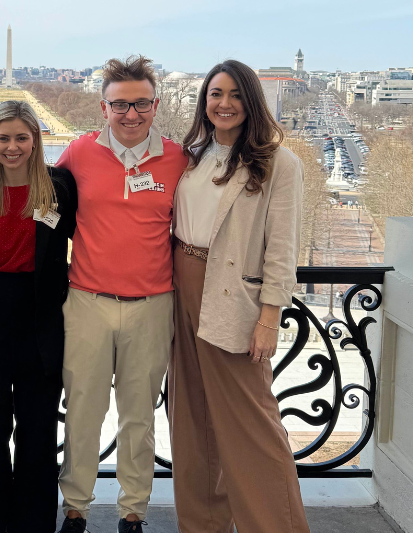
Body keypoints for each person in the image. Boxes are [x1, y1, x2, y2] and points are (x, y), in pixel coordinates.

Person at [169, 59, 310, 532]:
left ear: (251, 101)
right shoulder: (193, 155)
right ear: (203, 101)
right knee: (191, 421)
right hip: (179, 286)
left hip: (232, 298)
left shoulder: (278, 164)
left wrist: (269, 318)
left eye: (233, 95)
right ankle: (203, 524)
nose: (223, 104)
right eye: (215, 94)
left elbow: (282, 250)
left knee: (251, 427)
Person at [54, 56, 188, 533]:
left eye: (140, 104)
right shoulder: (77, 153)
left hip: (153, 306)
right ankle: (76, 509)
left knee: (139, 419)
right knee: (83, 412)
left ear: (156, 105)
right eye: (120, 105)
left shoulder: (179, 160)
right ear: (103, 107)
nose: (131, 115)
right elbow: (34, 193)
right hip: (87, 301)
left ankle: (133, 511)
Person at [0, 100, 77, 533]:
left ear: (36, 140)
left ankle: (34, 524)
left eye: (21, 138)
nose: (12, 147)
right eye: (3, 138)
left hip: (40, 321)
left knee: (38, 434)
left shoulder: (60, 188)